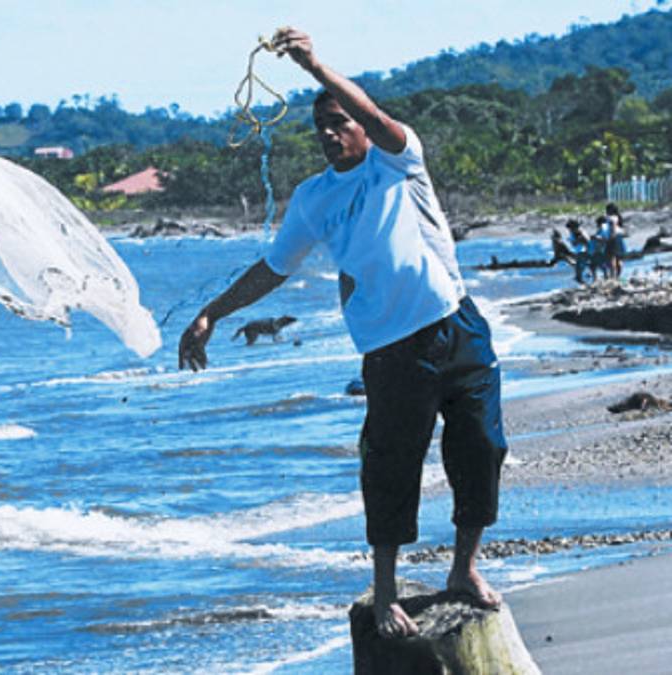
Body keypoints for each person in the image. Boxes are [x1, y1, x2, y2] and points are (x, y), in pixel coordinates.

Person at [178, 27, 507, 639]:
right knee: (390, 468)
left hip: (457, 326)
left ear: (358, 123)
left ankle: (465, 568)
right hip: (388, 350)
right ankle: (386, 595)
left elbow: (377, 114)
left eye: (339, 122)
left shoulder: (398, 159)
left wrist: (312, 65)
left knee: (481, 448)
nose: (331, 134)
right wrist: (213, 313)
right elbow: (273, 268)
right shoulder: (313, 198)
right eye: (320, 128)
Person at [605, 202, 627, 279]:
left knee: (611, 258)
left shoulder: (611, 218)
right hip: (619, 237)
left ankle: (613, 276)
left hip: (613, 238)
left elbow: (613, 228)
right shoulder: (618, 217)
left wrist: (610, 238)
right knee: (618, 259)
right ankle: (618, 276)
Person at [566, 220, 590, 284]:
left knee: (579, 266)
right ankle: (581, 278)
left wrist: (577, 241)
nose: (570, 230)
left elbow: (587, 242)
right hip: (580, 251)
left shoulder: (581, 233)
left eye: (570, 229)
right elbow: (574, 243)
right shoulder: (575, 233)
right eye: (569, 229)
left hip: (584, 251)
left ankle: (580, 278)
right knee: (578, 266)